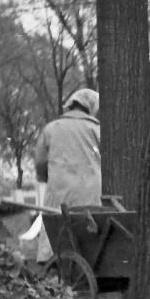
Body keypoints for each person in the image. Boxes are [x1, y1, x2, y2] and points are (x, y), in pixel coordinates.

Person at [33, 88, 101, 262]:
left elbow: (40, 163)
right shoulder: (96, 130)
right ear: (91, 107)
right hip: (91, 195)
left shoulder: (51, 129)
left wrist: (46, 179)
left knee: (55, 225)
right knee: (89, 232)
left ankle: (50, 259)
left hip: (59, 193)